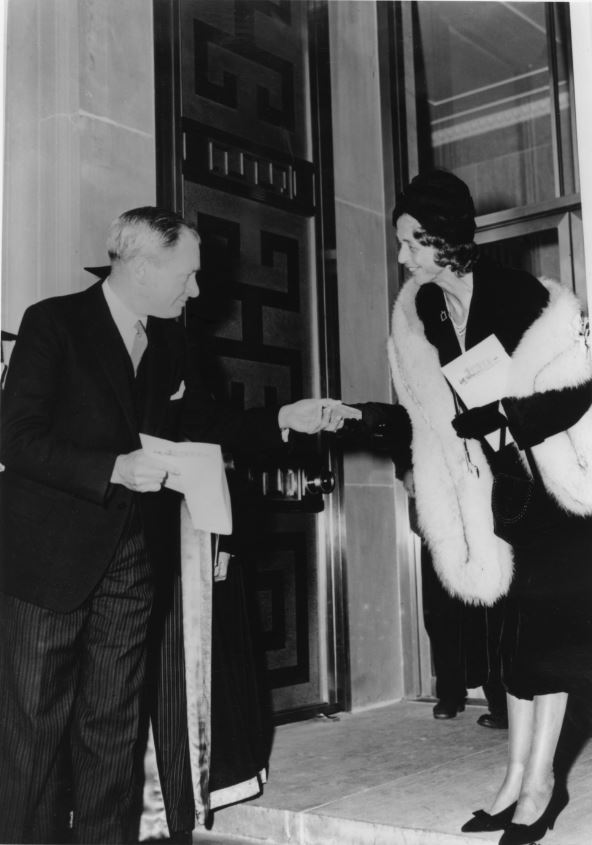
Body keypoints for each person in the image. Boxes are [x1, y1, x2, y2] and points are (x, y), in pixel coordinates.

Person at [0, 206, 350, 844]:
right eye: (186, 275)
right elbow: (16, 440)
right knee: (33, 738)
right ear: (139, 264)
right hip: (48, 563)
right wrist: (113, 467)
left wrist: (283, 420)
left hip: (133, 560)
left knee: (113, 731)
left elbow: (206, 427)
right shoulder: (53, 323)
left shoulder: (172, 344)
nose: (196, 291)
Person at [360, 169, 592, 845]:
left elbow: (578, 390)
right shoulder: (422, 313)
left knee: (546, 646)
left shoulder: (521, 297)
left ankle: (541, 784)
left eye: (410, 241)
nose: (402, 256)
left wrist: (509, 415)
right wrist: (375, 430)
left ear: (441, 238)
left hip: (552, 492)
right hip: (492, 493)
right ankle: (515, 776)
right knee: (514, 644)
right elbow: (422, 411)